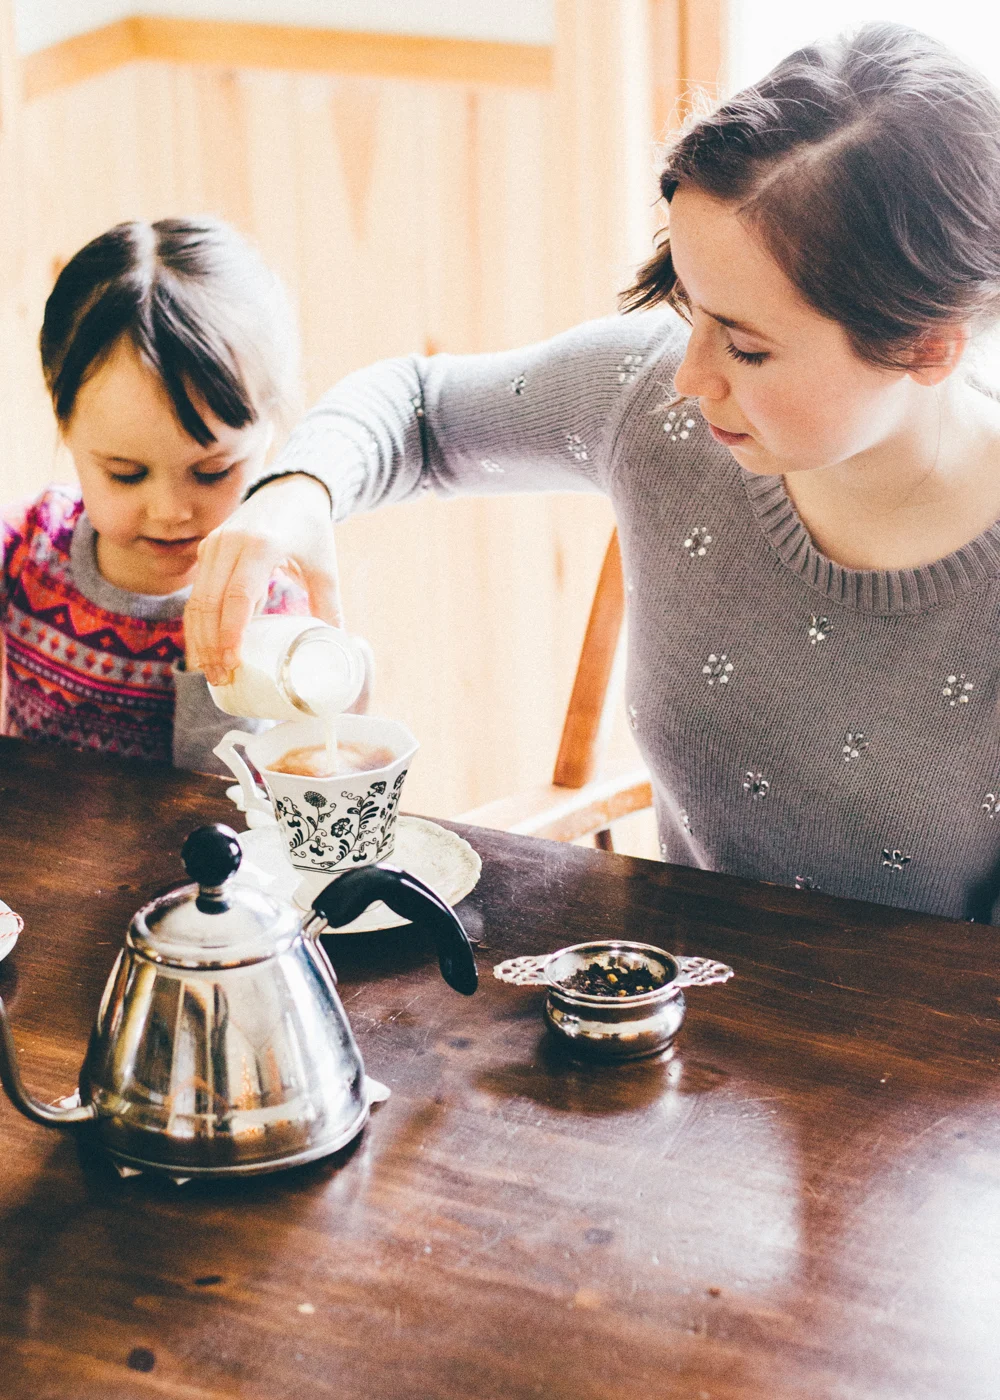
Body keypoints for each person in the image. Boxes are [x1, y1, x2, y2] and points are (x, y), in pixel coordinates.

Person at [188, 22, 1000, 921]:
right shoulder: (651, 393)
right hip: (668, 1011)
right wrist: (294, 493)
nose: (690, 379)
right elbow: (416, 411)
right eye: (685, 306)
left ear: (926, 346)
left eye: (747, 347)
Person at [0, 216, 322, 771]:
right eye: (126, 474)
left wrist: (216, 666)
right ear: (66, 426)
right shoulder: (30, 541)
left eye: (213, 472)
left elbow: (225, 795)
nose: (171, 512)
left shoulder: (269, 604)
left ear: (267, 435)